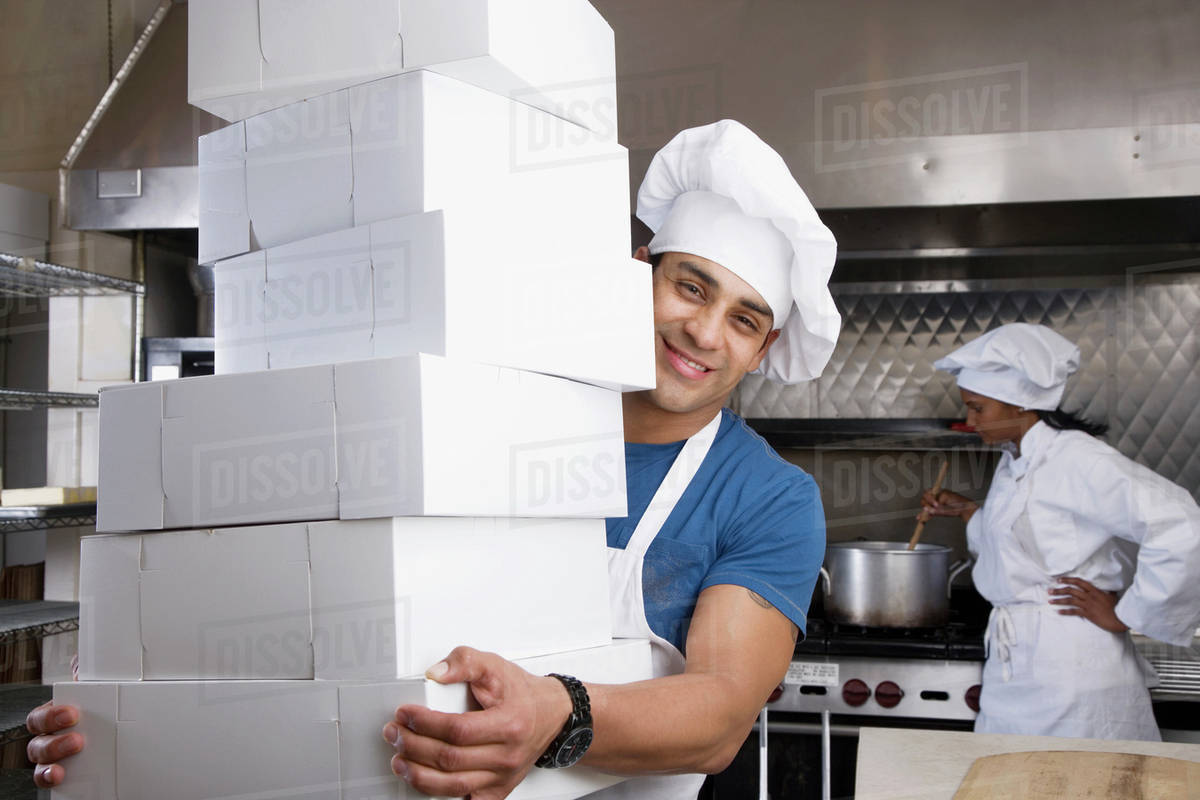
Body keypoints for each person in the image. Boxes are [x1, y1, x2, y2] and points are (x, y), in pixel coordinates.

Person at [26, 120, 841, 799]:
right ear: (640, 274)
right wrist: (136, 706)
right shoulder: (489, 402)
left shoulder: (768, 497)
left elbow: (720, 716)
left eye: (744, 319)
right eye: (691, 287)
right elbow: (303, 579)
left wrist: (555, 716)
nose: (704, 333)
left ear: (765, 347)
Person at [919, 322, 1200, 741]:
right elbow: (1031, 550)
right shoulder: (1016, 459)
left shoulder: (1076, 458)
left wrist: (1126, 615)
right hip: (1017, 667)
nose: (970, 421)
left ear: (1020, 405)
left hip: (1072, 668)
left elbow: (1182, 525)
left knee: (1073, 773)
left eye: (978, 408)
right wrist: (970, 513)